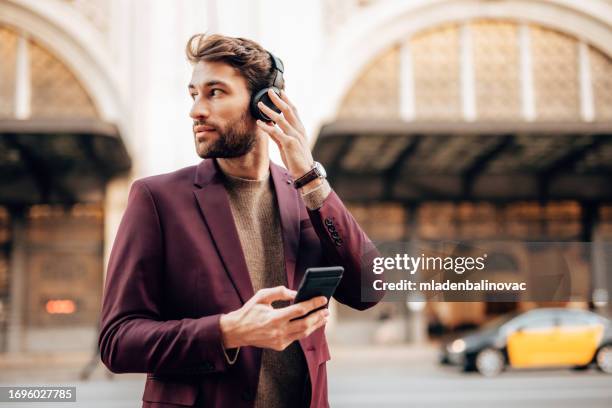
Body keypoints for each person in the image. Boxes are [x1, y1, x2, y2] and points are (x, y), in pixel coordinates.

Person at [98, 33, 383, 408]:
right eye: (193, 94)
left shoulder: (306, 194)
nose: (196, 110)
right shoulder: (157, 199)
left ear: (266, 105)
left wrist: (311, 179)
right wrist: (226, 332)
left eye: (215, 92)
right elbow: (117, 341)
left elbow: (370, 288)